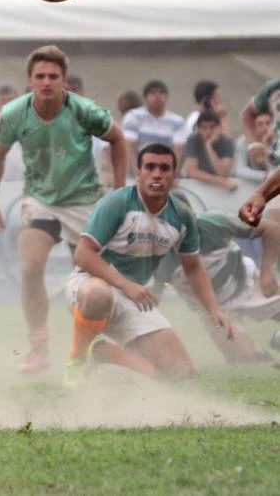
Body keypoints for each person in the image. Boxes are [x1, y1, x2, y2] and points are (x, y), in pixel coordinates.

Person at [0, 45, 127, 374]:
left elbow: (118, 139)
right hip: (40, 200)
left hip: (84, 201)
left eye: (53, 76)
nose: (46, 82)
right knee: (30, 266)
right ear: (29, 80)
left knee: (95, 283)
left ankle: (93, 346)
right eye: (40, 76)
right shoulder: (14, 114)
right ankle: (39, 348)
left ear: (64, 81)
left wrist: (119, 193)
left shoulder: (84, 110)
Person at [64, 144, 233, 385]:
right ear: (138, 173)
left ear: (174, 176)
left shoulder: (182, 215)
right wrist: (125, 285)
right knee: (98, 294)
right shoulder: (117, 203)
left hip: (134, 298)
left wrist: (214, 310)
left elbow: (193, 267)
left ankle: (108, 354)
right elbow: (83, 255)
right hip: (90, 283)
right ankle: (77, 361)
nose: (157, 174)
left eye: (164, 168)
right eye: (150, 167)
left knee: (182, 375)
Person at [150, 209, 280, 363]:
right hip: (214, 310)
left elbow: (271, 228)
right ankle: (259, 358)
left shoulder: (213, 223)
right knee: (246, 362)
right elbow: (154, 296)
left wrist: (266, 271)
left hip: (247, 282)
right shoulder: (156, 255)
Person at [121, 80, 184, 176]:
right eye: (153, 93)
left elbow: (178, 150)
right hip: (137, 172)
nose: (157, 96)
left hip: (164, 171)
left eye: (161, 93)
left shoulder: (177, 121)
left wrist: (172, 172)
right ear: (145, 98)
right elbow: (129, 147)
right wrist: (137, 172)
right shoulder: (133, 116)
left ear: (167, 97)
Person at [180, 111, 237, 191]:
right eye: (204, 128)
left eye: (212, 127)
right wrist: (220, 180)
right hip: (197, 185)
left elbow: (223, 173)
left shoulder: (228, 142)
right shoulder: (192, 140)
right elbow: (192, 172)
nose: (208, 132)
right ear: (198, 129)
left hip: (219, 188)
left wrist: (209, 146)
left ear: (219, 127)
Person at [234, 111, 273, 182]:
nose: (265, 127)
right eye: (260, 124)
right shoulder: (243, 142)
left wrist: (266, 147)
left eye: (268, 123)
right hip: (252, 185)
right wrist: (265, 176)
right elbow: (239, 170)